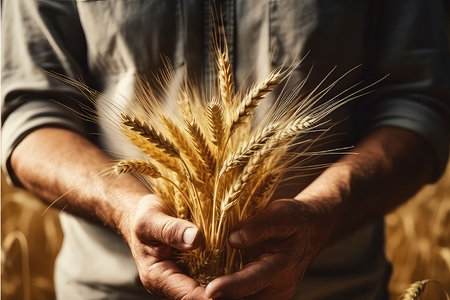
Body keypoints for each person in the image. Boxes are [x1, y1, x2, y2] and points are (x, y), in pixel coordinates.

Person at [2, 0, 449, 299]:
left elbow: (420, 102)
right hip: (112, 289)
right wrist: (124, 208)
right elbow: (27, 111)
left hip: (332, 288)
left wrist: (324, 212)